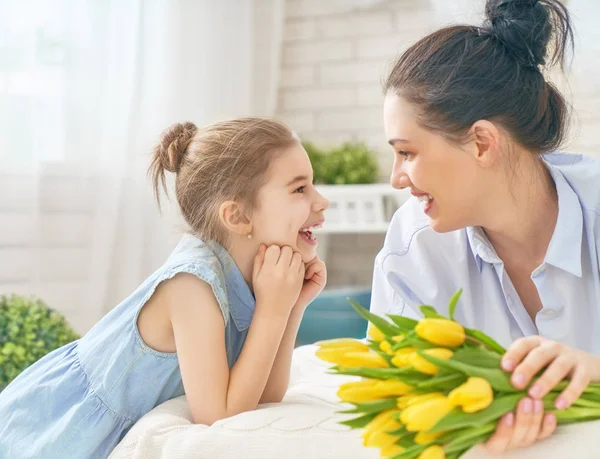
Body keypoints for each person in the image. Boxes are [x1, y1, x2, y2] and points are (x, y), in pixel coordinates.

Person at [0, 118, 329, 458]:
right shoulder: (192, 285)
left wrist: (290, 308)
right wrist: (273, 311)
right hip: (59, 432)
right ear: (237, 217)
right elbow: (220, 417)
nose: (322, 202)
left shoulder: (249, 278)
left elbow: (265, 397)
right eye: (299, 189)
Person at [370, 0, 600, 454]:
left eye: (408, 153)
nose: (397, 178)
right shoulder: (413, 245)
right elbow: (394, 391)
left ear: (481, 142)